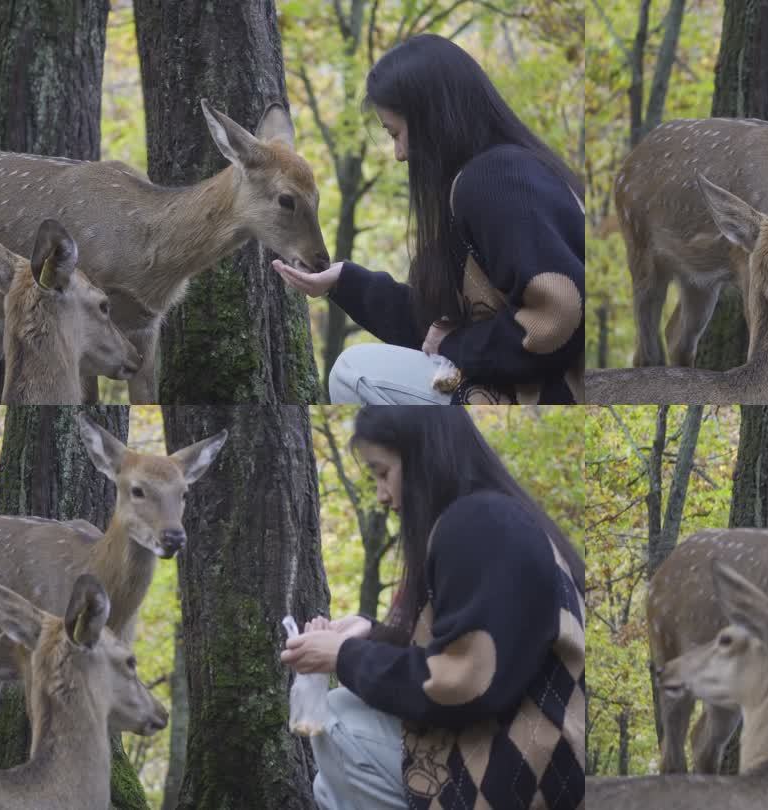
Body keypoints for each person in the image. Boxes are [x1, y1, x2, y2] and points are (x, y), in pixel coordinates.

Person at [280, 406, 586, 810]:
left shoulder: (481, 523)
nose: (382, 496)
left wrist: (344, 655)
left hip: (520, 780)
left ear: (423, 456)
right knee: (327, 786)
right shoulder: (494, 517)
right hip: (534, 767)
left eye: (382, 473)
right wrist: (372, 634)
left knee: (340, 722)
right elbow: (470, 646)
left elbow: (464, 681)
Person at [272, 35, 585, 405]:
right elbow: (431, 330)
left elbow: (559, 315)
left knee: (352, 371)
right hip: (527, 391)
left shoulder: (495, 178)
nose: (399, 154)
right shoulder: (490, 178)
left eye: (396, 133)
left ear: (432, 118)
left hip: (553, 399)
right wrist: (343, 281)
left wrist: (455, 344)